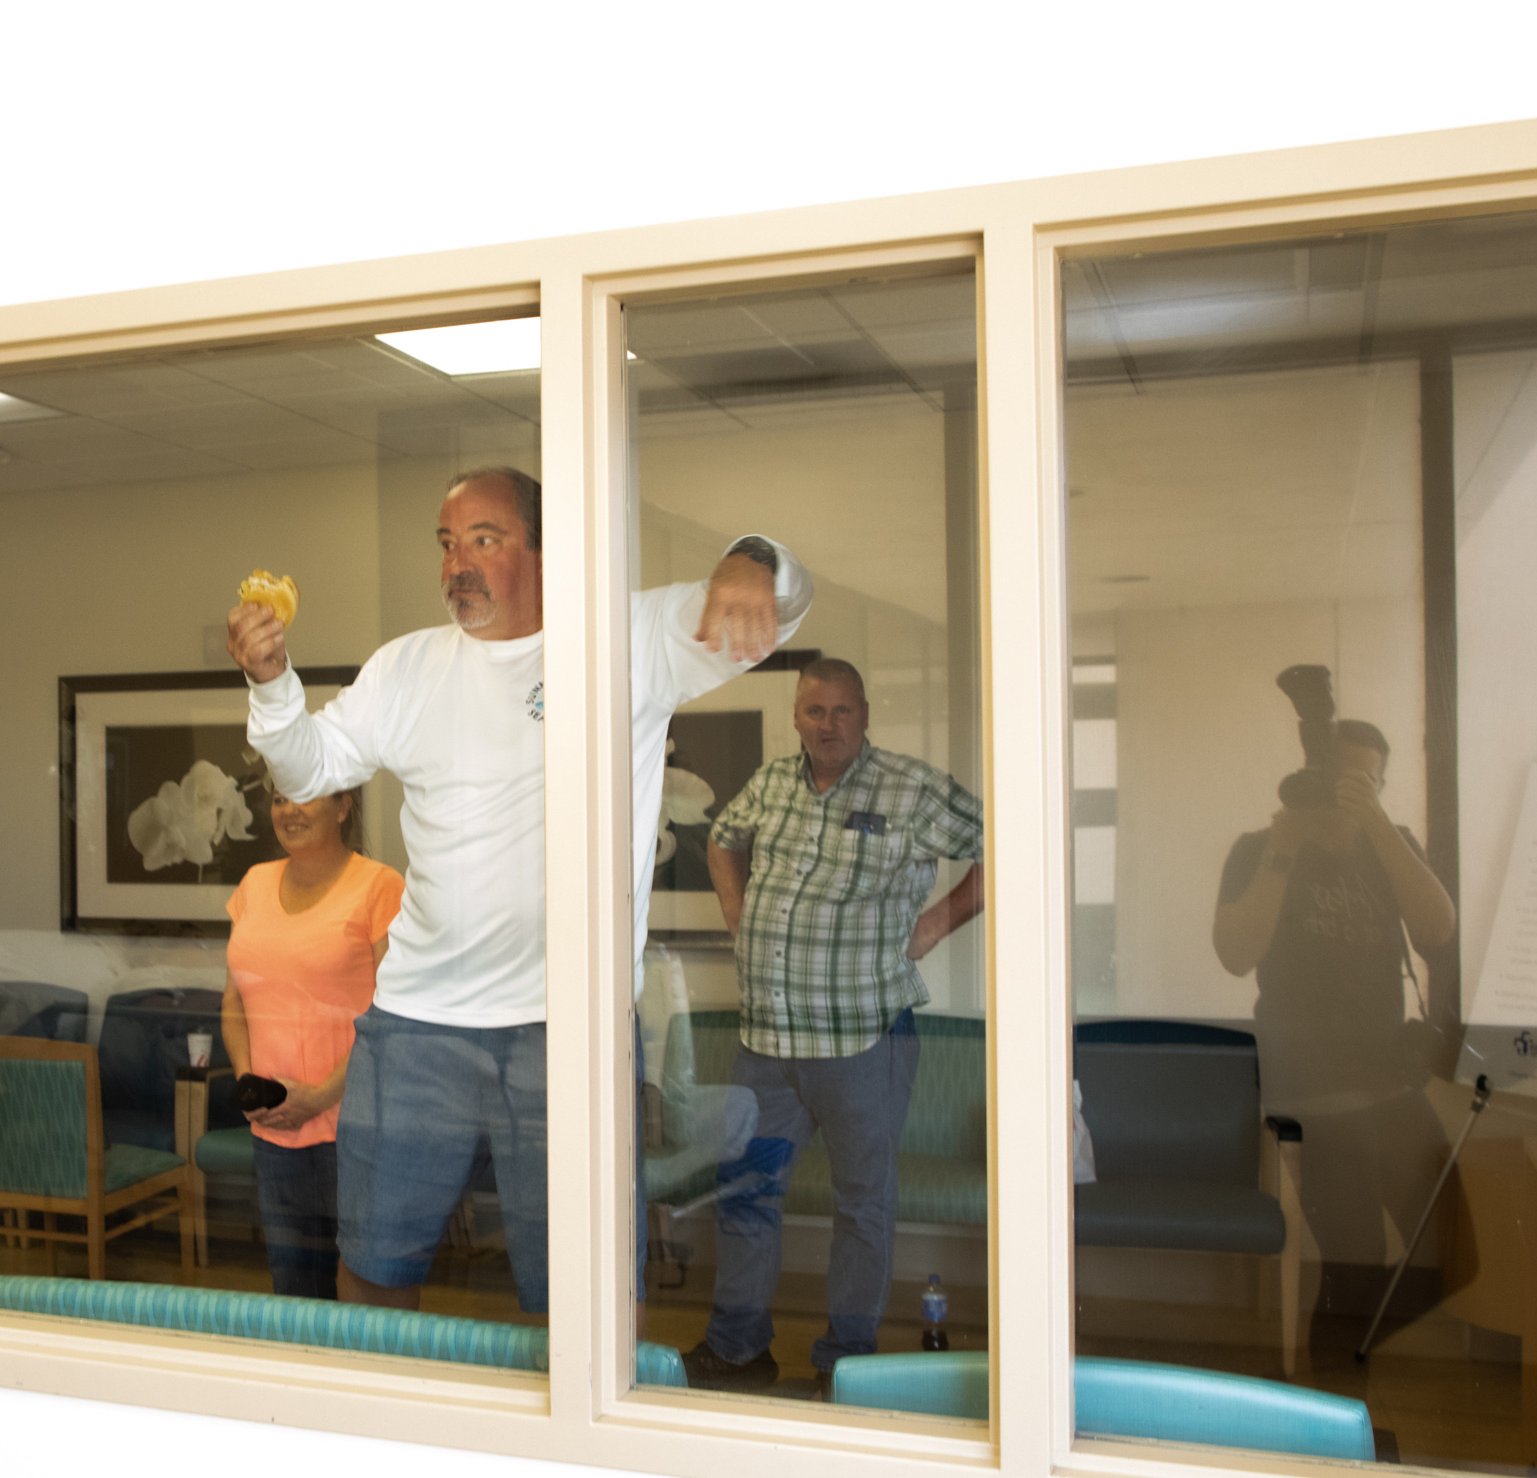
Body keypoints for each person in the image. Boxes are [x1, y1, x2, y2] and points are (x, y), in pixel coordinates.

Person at [227, 465, 810, 1312]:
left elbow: (787, 603)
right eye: (447, 542)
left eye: (485, 540)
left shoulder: (624, 639)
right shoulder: (408, 668)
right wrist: (272, 684)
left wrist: (756, 559)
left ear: (543, 550)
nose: (457, 562)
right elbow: (310, 766)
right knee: (372, 1265)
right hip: (417, 1025)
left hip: (562, 1029)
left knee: (581, 1287)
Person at [688, 659, 985, 1391]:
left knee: (862, 1206)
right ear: (796, 714)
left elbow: (1006, 840)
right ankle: (736, 1346)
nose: (828, 723)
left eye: (842, 710)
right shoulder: (772, 782)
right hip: (766, 1041)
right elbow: (723, 834)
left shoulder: (909, 787)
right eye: (815, 710)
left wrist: (941, 919)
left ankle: (844, 1362)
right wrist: (735, 906)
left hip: (862, 1041)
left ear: (864, 714)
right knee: (747, 1192)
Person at [1211, 719, 1454, 1346]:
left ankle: (1354, 1373)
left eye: (1362, 783)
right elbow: (1236, 953)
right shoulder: (1261, 848)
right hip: (1310, 1090)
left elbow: (1437, 930)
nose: (1344, 794)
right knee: (1356, 1260)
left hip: (1390, 1085)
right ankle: (1340, 1411)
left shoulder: (1389, 844)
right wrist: (1284, 849)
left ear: (1378, 785)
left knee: (1454, 1246)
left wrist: (1374, 824)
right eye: (1334, 778)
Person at [220, 783, 405, 1299]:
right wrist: (249, 1087)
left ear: (344, 806)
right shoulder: (254, 885)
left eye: (304, 795)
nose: (288, 810)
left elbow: (393, 1017)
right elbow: (233, 1006)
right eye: (279, 799)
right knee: (295, 1290)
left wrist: (320, 1096)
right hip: (275, 1128)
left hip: (355, 1126)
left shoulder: (378, 886)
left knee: (363, 1294)